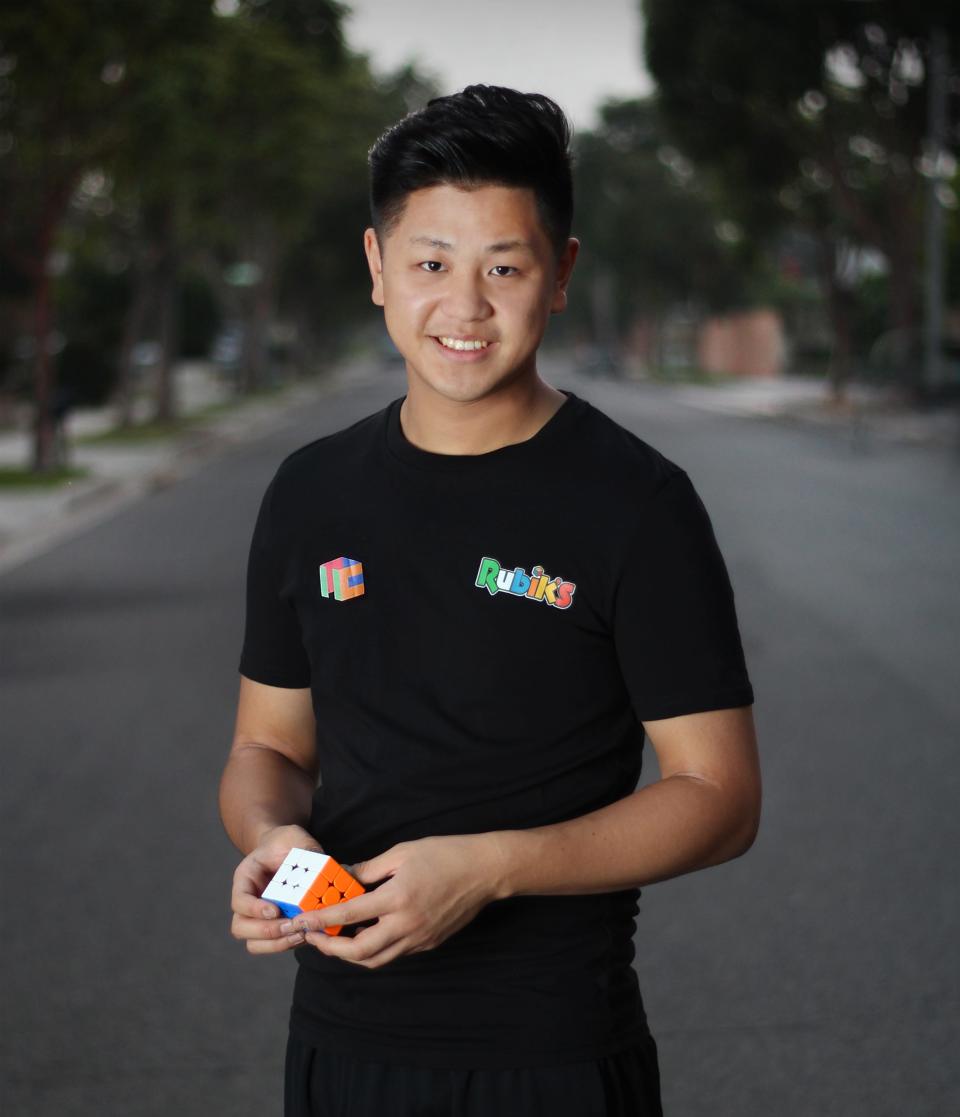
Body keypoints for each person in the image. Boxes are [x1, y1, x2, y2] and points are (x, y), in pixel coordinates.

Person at [219, 84, 761, 1117]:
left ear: (559, 274)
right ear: (378, 270)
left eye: (503, 267)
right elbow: (270, 753)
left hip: (549, 1052)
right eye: (429, 264)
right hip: (340, 1046)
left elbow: (722, 798)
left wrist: (488, 869)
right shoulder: (309, 491)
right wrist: (273, 845)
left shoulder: (637, 504)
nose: (464, 309)